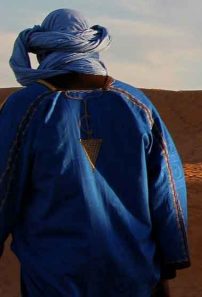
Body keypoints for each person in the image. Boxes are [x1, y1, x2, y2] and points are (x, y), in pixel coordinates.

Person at [0, 9, 189, 296]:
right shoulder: (137, 105)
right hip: (134, 273)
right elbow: (167, 191)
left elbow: (4, 187)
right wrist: (168, 264)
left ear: (44, 51)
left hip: (55, 278)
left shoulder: (25, 107)